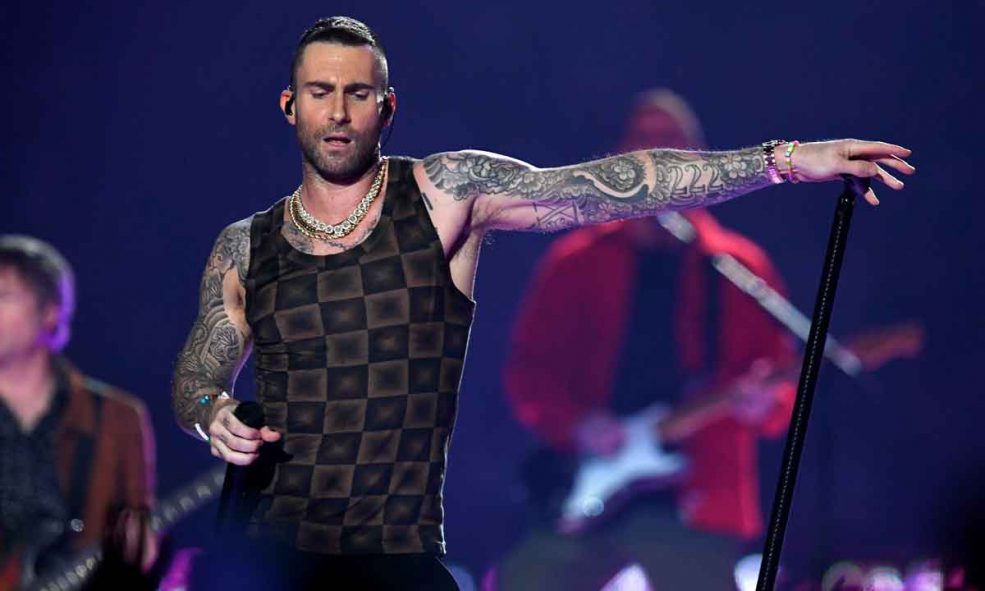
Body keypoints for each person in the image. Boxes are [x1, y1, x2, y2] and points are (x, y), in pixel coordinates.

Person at [169, 16, 914, 590]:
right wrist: (211, 410)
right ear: (289, 104)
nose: (337, 112)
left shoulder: (444, 195)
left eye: (356, 93)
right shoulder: (245, 245)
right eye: (319, 92)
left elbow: (626, 182)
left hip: (393, 550)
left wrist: (785, 161)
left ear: (386, 107)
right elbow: (197, 372)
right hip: (262, 549)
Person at [496, 90, 797, 590]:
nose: (657, 155)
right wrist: (578, 424)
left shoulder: (739, 268)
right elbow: (527, 372)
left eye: (671, 143)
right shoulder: (574, 262)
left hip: (696, 499)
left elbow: (779, 384)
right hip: (588, 489)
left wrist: (764, 403)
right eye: (644, 142)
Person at [0, 235, 158, 589]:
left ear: (50, 310)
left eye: (3, 296)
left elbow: (138, 538)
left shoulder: (117, 418)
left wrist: (139, 553)